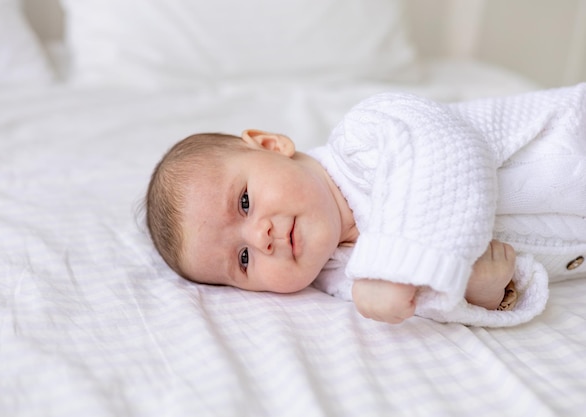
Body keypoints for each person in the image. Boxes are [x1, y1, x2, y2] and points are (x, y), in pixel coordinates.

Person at [145, 83, 586, 327]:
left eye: (244, 202)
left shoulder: (366, 136)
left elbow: (443, 155)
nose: (259, 237)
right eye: (242, 258)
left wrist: (393, 269)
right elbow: (427, 300)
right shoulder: (347, 281)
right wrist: (485, 291)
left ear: (270, 144)